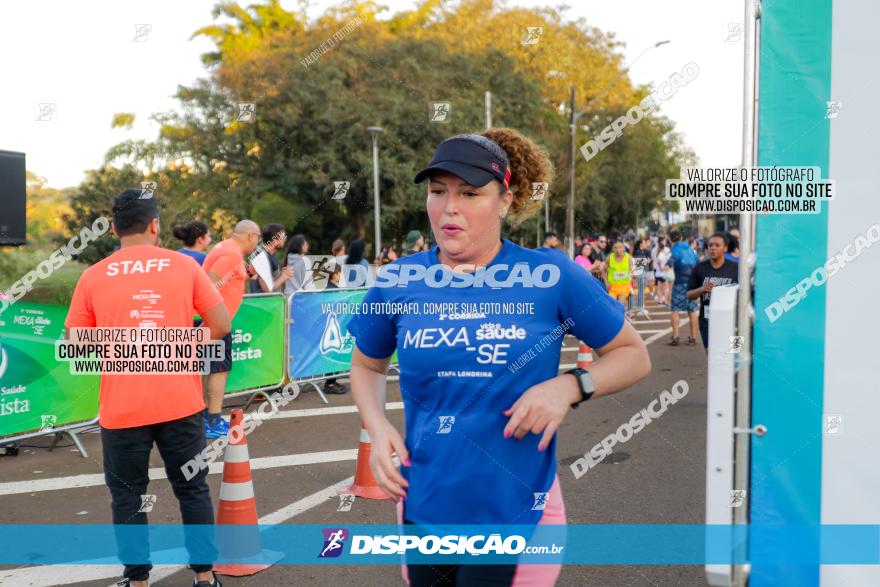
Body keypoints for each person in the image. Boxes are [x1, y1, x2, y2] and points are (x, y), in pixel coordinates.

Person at [347, 129, 651, 586]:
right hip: (423, 505)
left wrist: (569, 386)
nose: (450, 207)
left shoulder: (550, 275)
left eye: (470, 193)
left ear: (506, 200)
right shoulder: (400, 280)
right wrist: (378, 426)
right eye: (437, 192)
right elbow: (367, 364)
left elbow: (632, 354)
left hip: (519, 511)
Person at [66, 189, 229, 587]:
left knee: (127, 496)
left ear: (115, 228)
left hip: (123, 409)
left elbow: (75, 343)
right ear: (155, 225)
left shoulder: (93, 275)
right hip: (180, 402)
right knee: (192, 489)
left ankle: (137, 580)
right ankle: (205, 577)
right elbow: (221, 323)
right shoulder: (184, 266)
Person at [201, 220, 261, 437]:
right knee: (219, 369)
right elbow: (210, 282)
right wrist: (215, 315)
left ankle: (207, 418)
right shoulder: (232, 253)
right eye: (258, 238)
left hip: (208, 319)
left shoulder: (225, 248)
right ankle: (213, 421)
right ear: (251, 236)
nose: (257, 244)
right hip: (214, 321)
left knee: (210, 368)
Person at [688, 233, 739, 350]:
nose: (713, 248)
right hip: (708, 321)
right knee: (713, 359)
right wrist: (702, 289)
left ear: (725, 248)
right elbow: (689, 295)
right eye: (710, 245)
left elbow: (745, 294)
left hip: (733, 321)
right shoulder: (699, 268)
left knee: (736, 358)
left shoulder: (736, 268)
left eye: (717, 245)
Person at [668, 230, 699, 346]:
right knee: (692, 310)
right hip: (692, 284)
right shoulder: (691, 250)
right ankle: (693, 337)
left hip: (680, 283)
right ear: (681, 238)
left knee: (675, 309)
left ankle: (676, 336)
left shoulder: (675, 249)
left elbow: (669, 263)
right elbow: (698, 264)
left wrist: (666, 268)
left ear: (670, 240)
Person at [249, 223, 295, 293]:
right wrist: (283, 276)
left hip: (270, 302)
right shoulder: (260, 256)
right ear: (274, 240)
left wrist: (281, 274)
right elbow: (267, 289)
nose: (285, 239)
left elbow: (272, 281)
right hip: (262, 302)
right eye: (283, 237)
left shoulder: (270, 255)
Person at [606, 240, 633, 315]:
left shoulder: (629, 258)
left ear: (623, 247)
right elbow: (603, 271)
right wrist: (606, 282)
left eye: (620, 247)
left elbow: (631, 271)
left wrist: (631, 276)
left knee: (619, 307)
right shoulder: (609, 258)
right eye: (615, 248)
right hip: (612, 287)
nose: (618, 250)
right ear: (613, 249)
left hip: (624, 287)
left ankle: (620, 322)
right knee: (611, 307)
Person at [653, 236, 672, 306]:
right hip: (662, 273)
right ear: (663, 248)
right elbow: (659, 261)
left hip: (659, 273)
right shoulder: (662, 254)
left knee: (660, 287)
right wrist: (662, 268)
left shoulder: (659, 253)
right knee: (665, 288)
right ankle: (665, 301)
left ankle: (660, 300)